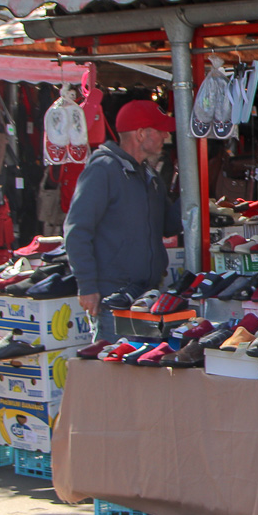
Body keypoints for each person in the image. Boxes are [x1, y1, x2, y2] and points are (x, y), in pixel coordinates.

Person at [64, 99, 182, 341]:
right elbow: (76, 231)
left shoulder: (149, 175)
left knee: (141, 370)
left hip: (146, 297)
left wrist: (192, 194)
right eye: (159, 130)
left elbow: (168, 226)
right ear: (140, 134)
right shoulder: (104, 170)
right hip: (113, 297)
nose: (165, 136)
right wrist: (87, 286)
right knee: (118, 372)